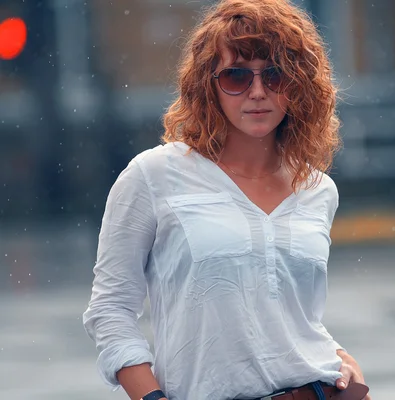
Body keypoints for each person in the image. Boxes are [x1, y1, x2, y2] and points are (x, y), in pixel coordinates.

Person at [82, 0, 370, 399]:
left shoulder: (318, 189)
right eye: (235, 76)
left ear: (299, 84)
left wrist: (340, 355)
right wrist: (151, 397)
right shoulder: (154, 176)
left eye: (275, 76)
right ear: (207, 84)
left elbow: (292, 316)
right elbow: (110, 310)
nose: (257, 92)